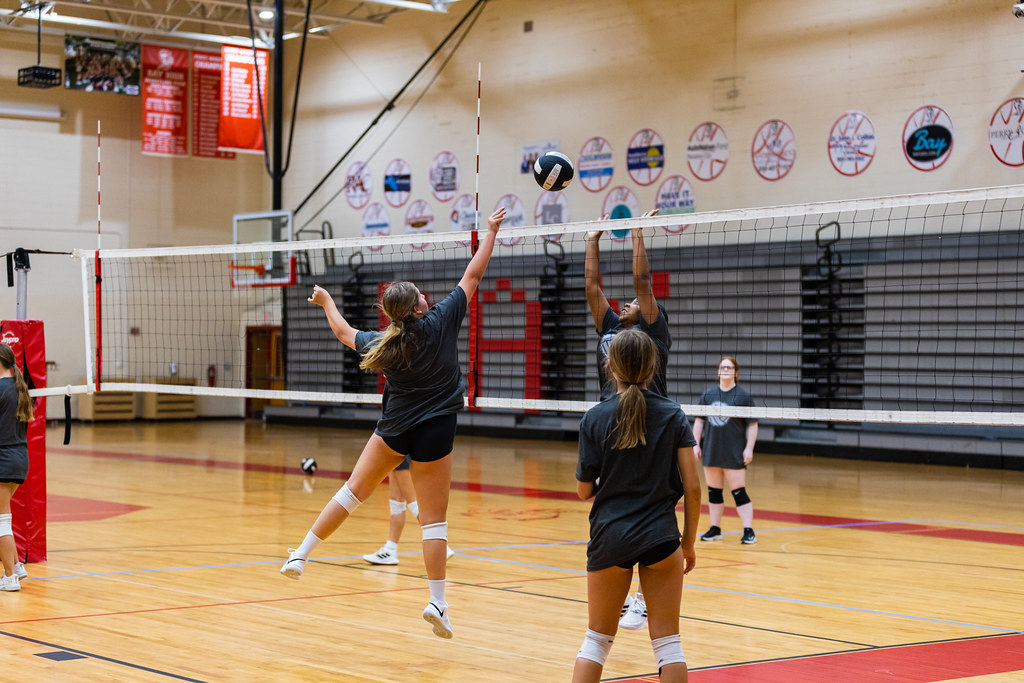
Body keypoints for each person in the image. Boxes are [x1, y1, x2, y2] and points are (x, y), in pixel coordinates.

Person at [281, 206, 507, 640]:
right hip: (437, 428)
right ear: (420, 306)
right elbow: (473, 275)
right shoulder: (440, 321)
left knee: (352, 492)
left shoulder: (384, 341)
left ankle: (301, 555)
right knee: (435, 522)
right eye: (422, 294)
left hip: (395, 428)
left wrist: (327, 300)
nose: (426, 296)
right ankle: (437, 602)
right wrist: (490, 233)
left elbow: (344, 332)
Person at [573, 329, 700, 683]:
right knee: (669, 645)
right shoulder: (673, 415)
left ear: (610, 367)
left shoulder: (594, 418)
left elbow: (584, 491)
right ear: (652, 366)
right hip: (661, 536)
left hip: (610, 536)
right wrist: (687, 544)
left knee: (596, 641)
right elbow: (692, 487)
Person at [585, 209, 671, 630]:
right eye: (627, 304)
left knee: (651, 509)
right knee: (614, 508)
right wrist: (592, 238)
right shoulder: (608, 326)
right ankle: (620, 594)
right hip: (612, 427)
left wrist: (637, 231)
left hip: (652, 427)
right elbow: (591, 285)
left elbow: (642, 282)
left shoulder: (653, 333)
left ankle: (640, 597)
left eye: (636, 304)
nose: (629, 303)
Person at [692, 356, 759, 545]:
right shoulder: (709, 394)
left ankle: (748, 530)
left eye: (729, 367)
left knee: (739, 492)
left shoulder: (743, 396)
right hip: (712, 450)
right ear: (718, 371)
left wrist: (749, 448)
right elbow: (699, 421)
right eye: (723, 367)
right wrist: (695, 444)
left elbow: (752, 425)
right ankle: (715, 529)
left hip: (733, 451)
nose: (726, 370)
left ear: (736, 372)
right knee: (714, 492)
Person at [362, 455, 455, 565]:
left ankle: (442, 546)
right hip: (393, 450)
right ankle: (390, 550)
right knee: (396, 501)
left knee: (412, 501)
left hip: (400, 452)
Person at [0, 343, 33, 593]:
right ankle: (17, 565)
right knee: (3, 518)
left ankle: (10, 577)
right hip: (20, 458)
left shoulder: (1, 389)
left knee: (1, 521)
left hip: (4, 459)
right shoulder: (20, 388)